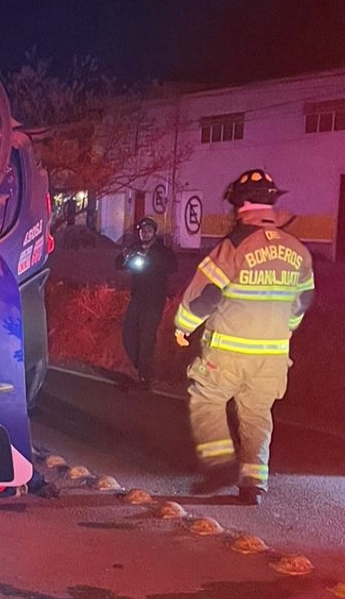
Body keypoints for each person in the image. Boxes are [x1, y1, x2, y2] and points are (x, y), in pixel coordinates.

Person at [174, 169, 314, 505]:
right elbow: (303, 299)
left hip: (228, 352)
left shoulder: (234, 246)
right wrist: (285, 328)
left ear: (241, 204)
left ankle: (220, 465)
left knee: (206, 400)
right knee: (257, 415)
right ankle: (253, 483)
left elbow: (205, 295)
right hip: (273, 357)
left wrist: (183, 326)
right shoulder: (298, 250)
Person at [115, 217, 177, 388]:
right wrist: (125, 255)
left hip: (154, 299)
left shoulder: (162, 251)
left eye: (149, 231)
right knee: (128, 333)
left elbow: (173, 266)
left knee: (147, 336)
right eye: (143, 231)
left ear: (154, 233)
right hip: (137, 298)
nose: (145, 234)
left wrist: (153, 261)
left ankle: (145, 377)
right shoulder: (134, 248)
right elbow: (119, 264)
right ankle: (139, 364)